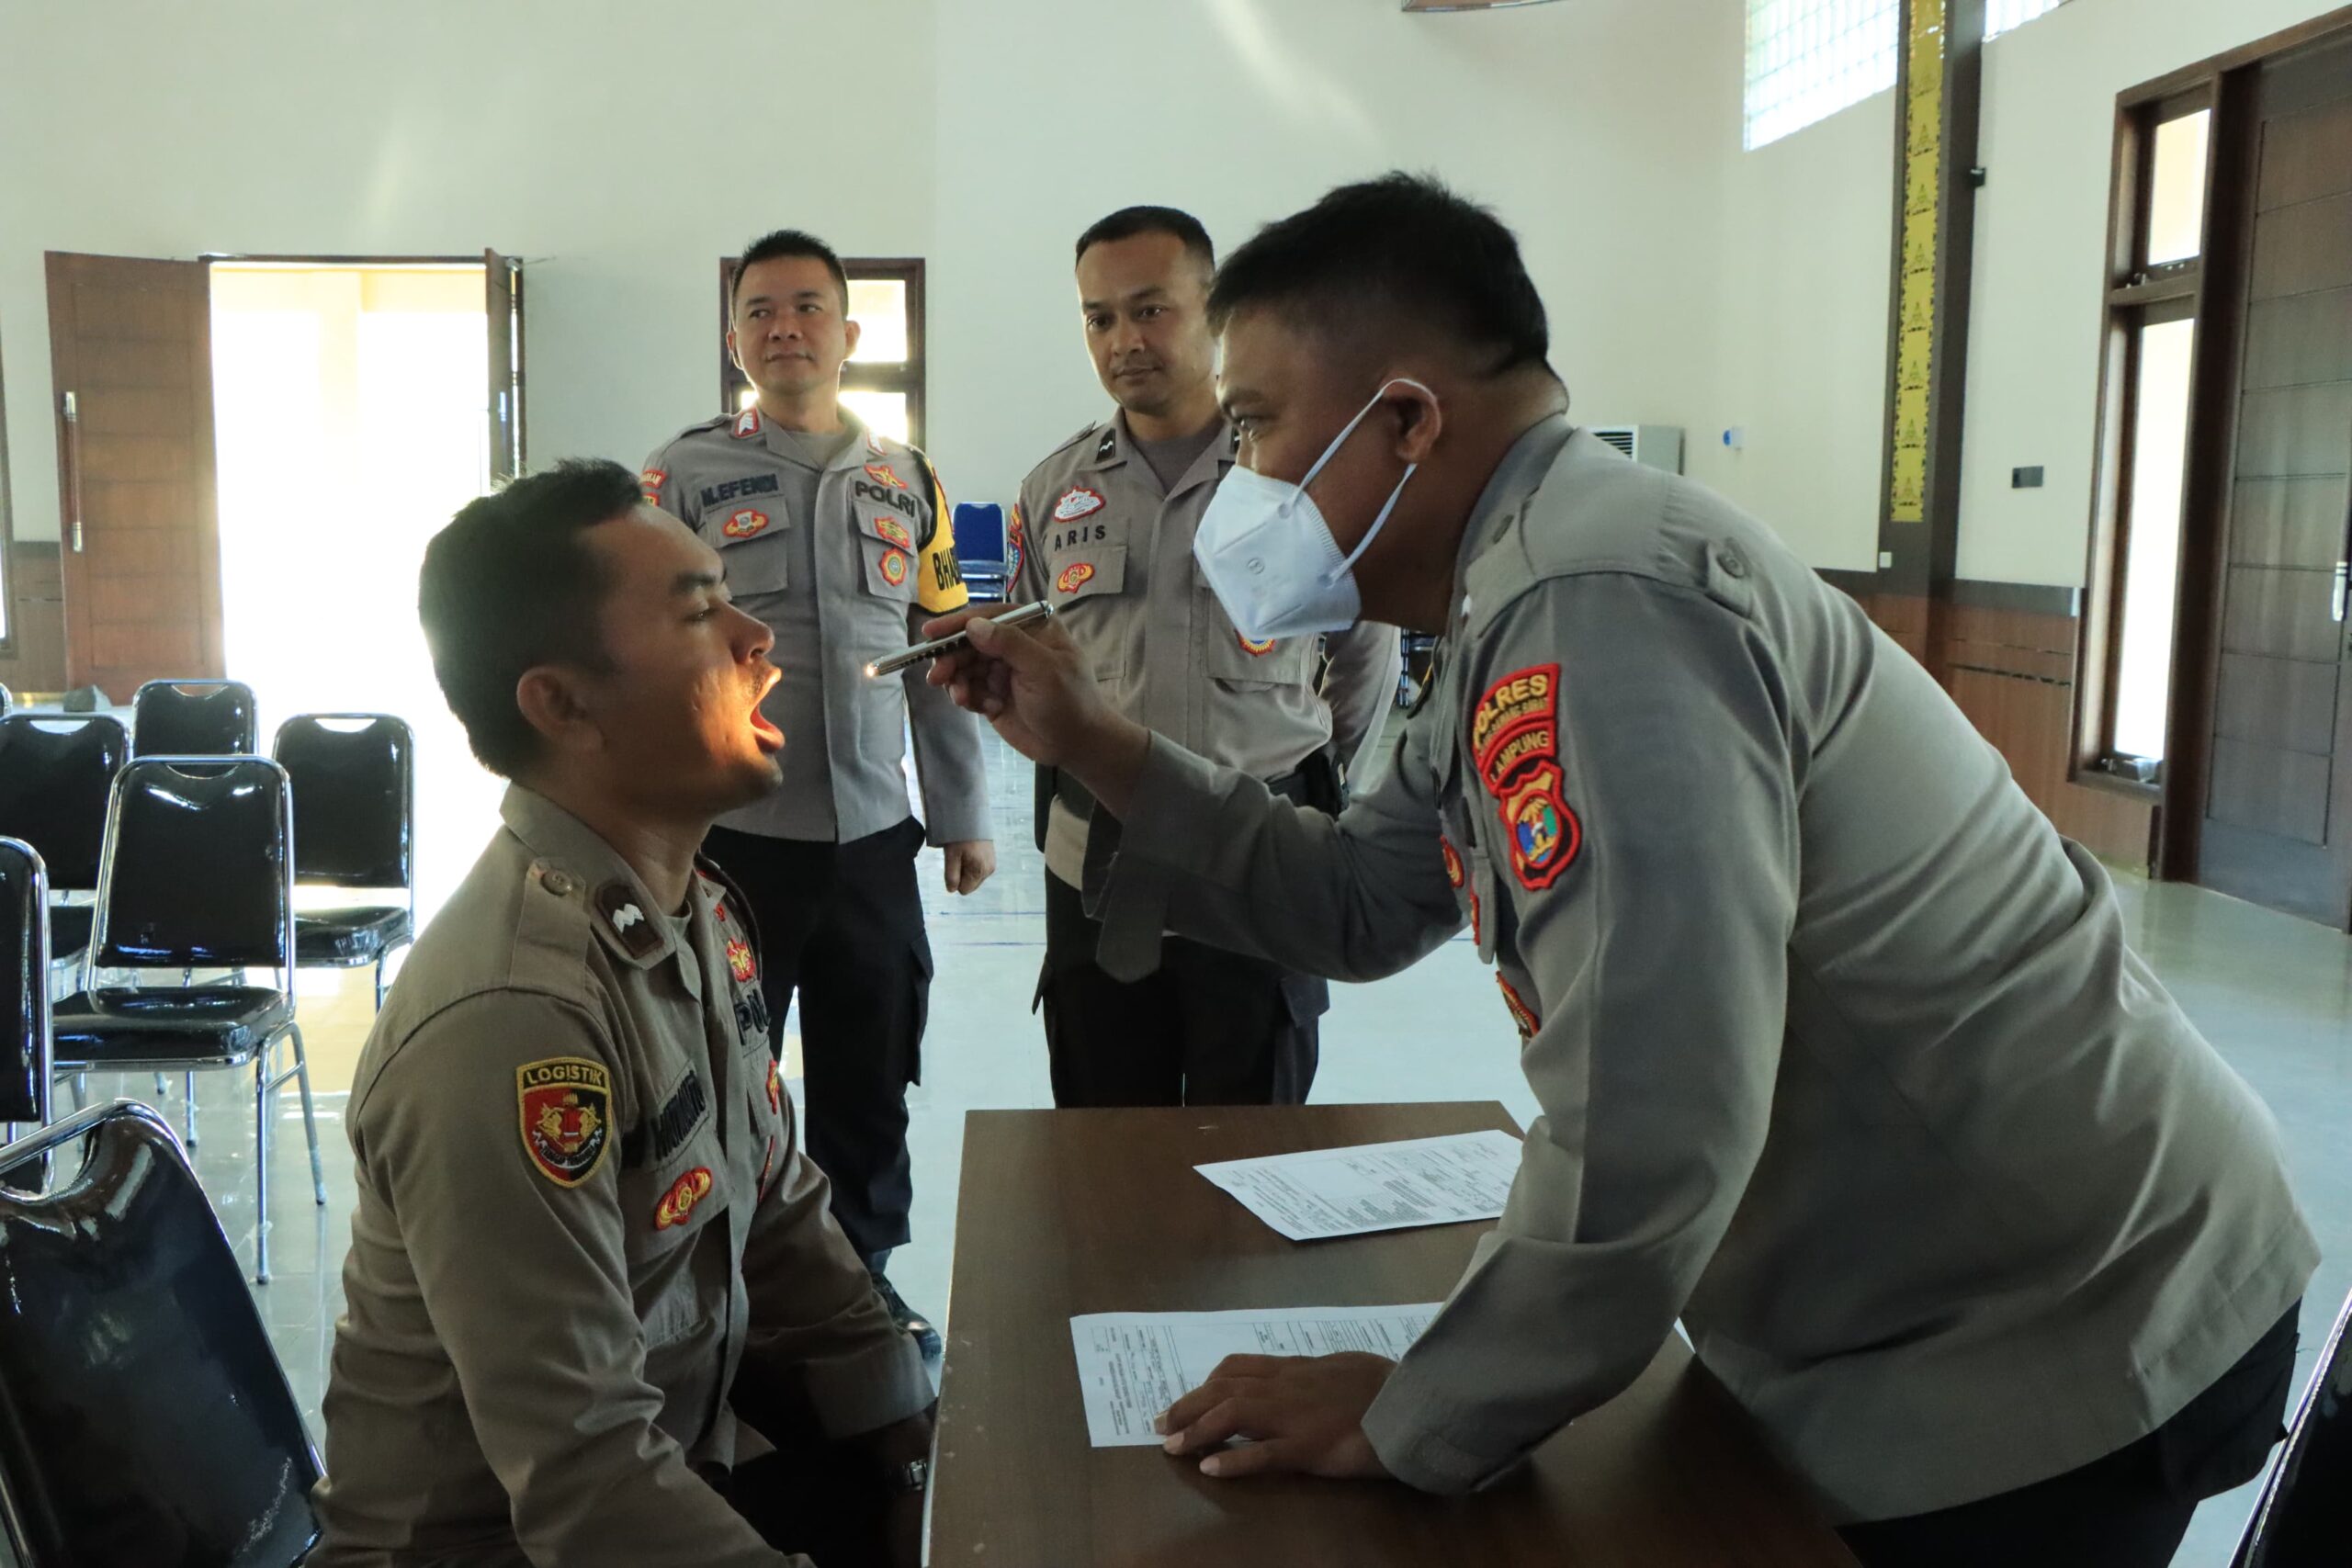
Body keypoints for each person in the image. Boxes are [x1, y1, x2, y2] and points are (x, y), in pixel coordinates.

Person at [926, 175, 2317, 1567]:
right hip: (1940, 1291)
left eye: (1258, 426)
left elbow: (1654, 1108)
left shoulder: (1596, 602)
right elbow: (1356, 897)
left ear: (1406, 419)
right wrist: (1093, 739)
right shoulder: (1514, 587)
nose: (1243, 483)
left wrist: (1416, 1415)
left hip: (2045, 1330)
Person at [313, 461, 933, 1568]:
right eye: (699, 613)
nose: (758, 639)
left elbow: (776, 1212)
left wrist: (911, 1442)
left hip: (672, 1470)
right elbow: (583, 1479)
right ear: (563, 704)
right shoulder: (514, 1020)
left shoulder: (694, 909)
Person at [642, 229, 992, 1356]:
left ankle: (862, 1286)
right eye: (760, 311)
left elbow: (941, 658)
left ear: (849, 332)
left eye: (806, 308)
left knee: (870, 1072)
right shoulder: (680, 478)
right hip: (734, 845)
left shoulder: (907, 478)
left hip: (873, 843)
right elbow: (647, 660)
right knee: (724, 1076)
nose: (783, 328)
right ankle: (728, 1301)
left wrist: (964, 818)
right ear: (734, 338)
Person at [1012, 205, 1396, 1107]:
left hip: (1260, 857)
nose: (1124, 340)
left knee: (1253, 1141)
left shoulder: (1300, 472)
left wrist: (1302, 769)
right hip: (1098, 862)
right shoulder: (1055, 489)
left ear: (1213, 308)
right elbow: (1037, 648)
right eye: (1100, 318)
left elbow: (1364, 651)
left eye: (1150, 309)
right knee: (1104, 1143)